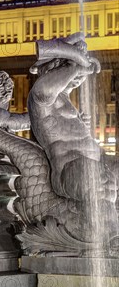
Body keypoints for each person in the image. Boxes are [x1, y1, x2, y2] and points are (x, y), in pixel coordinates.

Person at [28, 32, 117, 230]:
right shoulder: (40, 96)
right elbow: (45, 92)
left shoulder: (66, 101)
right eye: (73, 72)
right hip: (70, 169)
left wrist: (78, 64)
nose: (80, 79)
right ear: (58, 67)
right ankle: (106, 236)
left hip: (96, 161)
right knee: (100, 188)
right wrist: (76, 64)